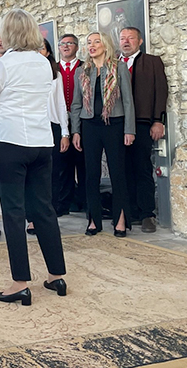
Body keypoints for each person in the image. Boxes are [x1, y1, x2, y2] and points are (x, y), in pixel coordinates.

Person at [0, 9, 67, 306]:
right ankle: (56, 276)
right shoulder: (44, 63)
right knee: (43, 209)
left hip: (12, 144)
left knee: (14, 212)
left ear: (9, 33)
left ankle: (19, 283)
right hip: (42, 143)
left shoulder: (3, 65)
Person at [70, 32, 136, 237]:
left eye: (96, 42)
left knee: (117, 173)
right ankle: (93, 219)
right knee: (91, 175)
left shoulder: (119, 68)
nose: (92, 46)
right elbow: (76, 104)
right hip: (90, 126)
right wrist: (75, 131)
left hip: (114, 124)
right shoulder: (82, 71)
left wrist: (129, 129)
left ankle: (121, 219)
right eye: (89, 43)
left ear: (105, 45)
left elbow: (128, 101)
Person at [119, 27, 168, 233]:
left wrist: (158, 120)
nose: (126, 42)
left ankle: (147, 213)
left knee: (142, 167)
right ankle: (129, 211)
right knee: (122, 168)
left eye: (130, 38)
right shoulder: (113, 63)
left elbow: (161, 91)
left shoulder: (152, 61)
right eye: (122, 38)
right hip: (118, 123)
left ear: (139, 41)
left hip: (141, 121)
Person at [26, 39, 70, 235]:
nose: (38, 52)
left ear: (48, 52)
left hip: (51, 127)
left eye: (41, 48)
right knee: (29, 175)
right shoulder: (24, 73)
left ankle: (48, 215)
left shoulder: (56, 74)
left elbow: (60, 104)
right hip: (30, 126)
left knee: (50, 174)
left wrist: (65, 132)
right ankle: (31, 218)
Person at [56, 33, 86, 214]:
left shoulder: (84, 67)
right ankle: (63, 203)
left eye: (70, 43)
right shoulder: (54, 69)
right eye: (63, 44)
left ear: (77, 47)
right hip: (60, 120)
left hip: (82, 119)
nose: (66, 47)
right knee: (62, 163)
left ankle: (85, 201)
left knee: (83, 163)